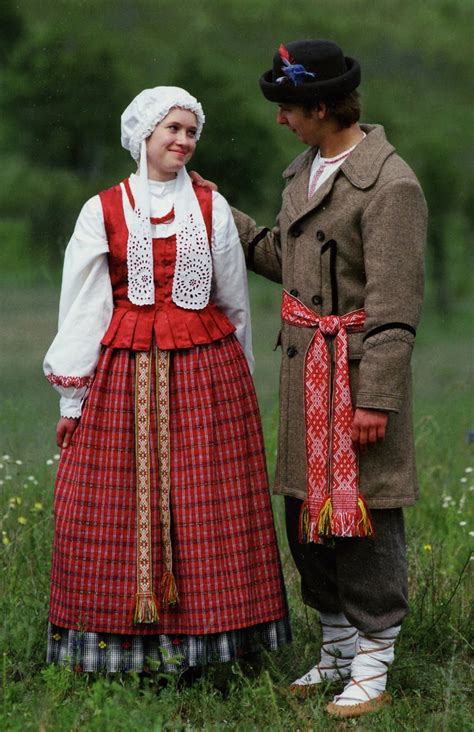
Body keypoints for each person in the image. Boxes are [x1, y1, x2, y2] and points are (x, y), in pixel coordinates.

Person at [196, 40, 427, 718]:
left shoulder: (391, 184)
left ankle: (375, 661)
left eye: (288, 108)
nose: (280, 120)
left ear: (322, 107)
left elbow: (396, 305)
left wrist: (377, 398)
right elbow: (281, 255)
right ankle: (334, 648)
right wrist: (222, 217)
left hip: (355, 383)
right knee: (306, 515)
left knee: (364, 518)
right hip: (306, 379)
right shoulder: (305, 169)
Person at [43, 86, 291, 675]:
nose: (182, 141)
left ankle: (214, 651)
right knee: (106, 501)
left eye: (190, 132)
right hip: (123, 374)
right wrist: (72, 400)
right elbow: (84, 307)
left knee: (209, 501)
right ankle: (117, 649)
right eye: (172, 130)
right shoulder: (101, 209)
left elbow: (233, 300)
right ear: (144, 136)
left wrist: (238, 381)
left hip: (207, 371)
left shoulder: (210, 205)